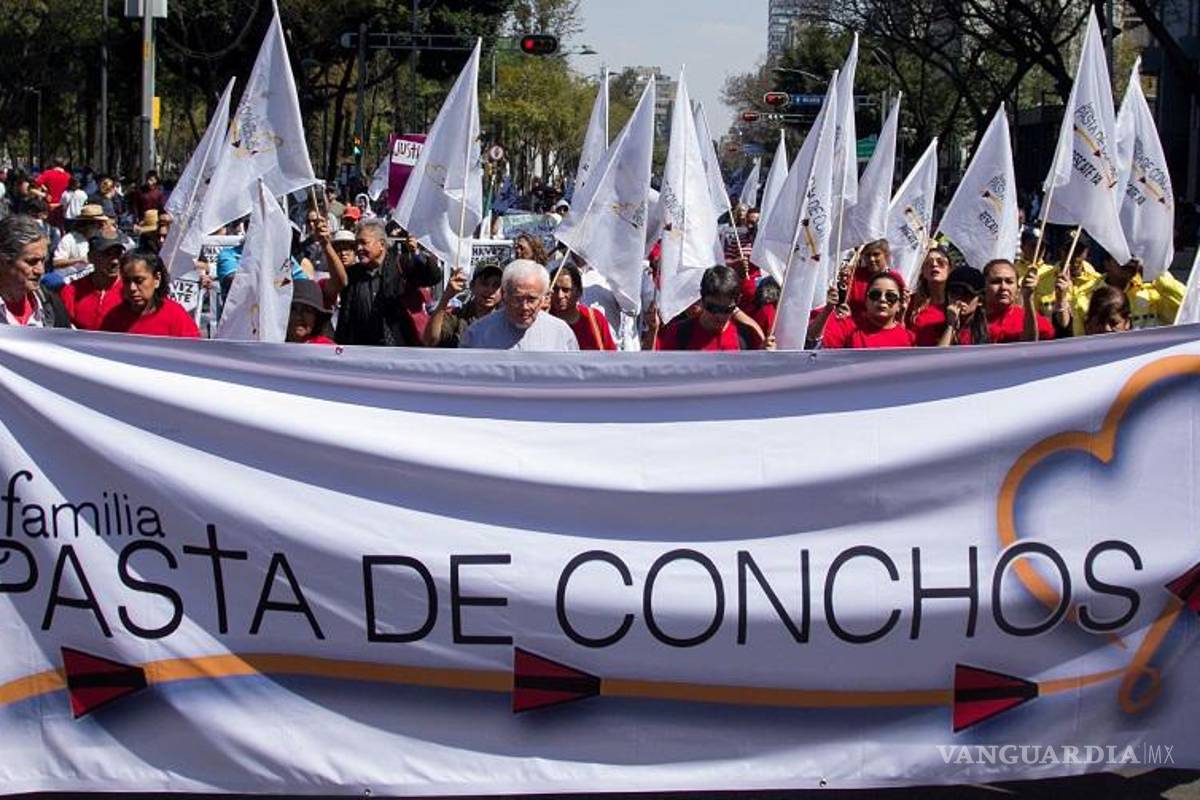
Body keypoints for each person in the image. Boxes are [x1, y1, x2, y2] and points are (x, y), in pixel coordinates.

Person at [328, 218, 442, 346]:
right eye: (357, 244)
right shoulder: (352, 274)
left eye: (364, 243)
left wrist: (416, 254)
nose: (359, 248)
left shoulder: (401, 266)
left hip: (397, 349)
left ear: (381, 244)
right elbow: (345, 318)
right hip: (360, 350)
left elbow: (433, 276)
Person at [461, 259, 578, 351]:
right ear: (504, 295)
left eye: (532, 299)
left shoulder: (561, 333)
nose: (524, 307)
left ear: (544, 298)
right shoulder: (477, 334)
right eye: (517, 299)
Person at [939, 261, 1053, 345]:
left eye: (1009, 282)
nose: (1003, 287)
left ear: (1018, 289)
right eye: (996, 282)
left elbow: (1029, 348)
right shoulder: (969, 319)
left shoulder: (1032, 320)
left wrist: (1028, 298)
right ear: (984, 287)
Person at [656, 265, 768, 351]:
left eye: (727, 309)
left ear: (737, 302)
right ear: (702, 299)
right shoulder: (679, 334)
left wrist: (768, 357)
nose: (719, 316)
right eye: (713, 308)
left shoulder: (746, 337)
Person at [100, 250, 199, 338]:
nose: (132, 288)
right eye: (127, 281)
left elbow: (193, 350)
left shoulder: (176, 316)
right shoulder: (114, 317)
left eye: (139, 280)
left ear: (157, 279)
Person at [0, 214, 67, 328]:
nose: (40, 270)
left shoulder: (51, 304)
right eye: (31, 262)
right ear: (4, 261)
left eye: (43, 261)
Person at [819, 270, 915, 349]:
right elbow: (815, 347)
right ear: (866, 300)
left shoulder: (909, 338)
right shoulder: (848, 329)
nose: (882, 299)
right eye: (875, 295)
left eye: (890, 296)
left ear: (899, 304)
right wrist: (827, 310)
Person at [1032, 234, 1102, 334]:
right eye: (1068, 250)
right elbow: (1034, 317)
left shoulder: (1097, 282)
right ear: (1060, 251)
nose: (1073, 255)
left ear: (1086, 253)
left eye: (1078, 251)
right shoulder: (1042, 281)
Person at [1095, 256, 1185, 329]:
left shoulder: (1152, 293)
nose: (1129, 262)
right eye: (1121, 257)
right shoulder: (1089, 293)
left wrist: (1155, 274)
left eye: (1133, 257)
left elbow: (1186, 308)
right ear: (1106, 263)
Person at [424, 265, 503, 347]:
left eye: (496, 285)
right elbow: (430, 341)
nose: (490, 290)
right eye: (484, 284)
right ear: (472, 286)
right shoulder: (457, 316)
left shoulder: (506, 320)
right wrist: (446, 297)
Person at [60, 233, 127, 330]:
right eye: (107, 255)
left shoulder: (130, 291)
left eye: (118, 254)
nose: (115, 261)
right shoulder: (72, 291)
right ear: (91, 257)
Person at [549, 263, 617, 350]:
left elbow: (611, 354)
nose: (560, 295)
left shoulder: (595, 319)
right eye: (555, 289)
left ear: (579, 292)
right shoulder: (544, 320)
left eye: (566, 290)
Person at [906, 246, 952, 346]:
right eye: (928, 263)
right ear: (922, 271)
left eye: (941, 262)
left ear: (949, 269)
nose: (934, 265)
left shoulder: (956, 302)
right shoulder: (911, 302)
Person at [53, 204, 110, 273]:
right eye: (98, 224)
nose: (100, 227)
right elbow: (56, 263)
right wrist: (80, 260)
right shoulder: (69, 239)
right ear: (87, 224)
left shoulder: (101, 238)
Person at [286, 279, 335, 344]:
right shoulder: (274, 342)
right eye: (293, 309)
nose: (299, 316)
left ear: (316, 317)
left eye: (307, 310)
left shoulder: (326, 347)